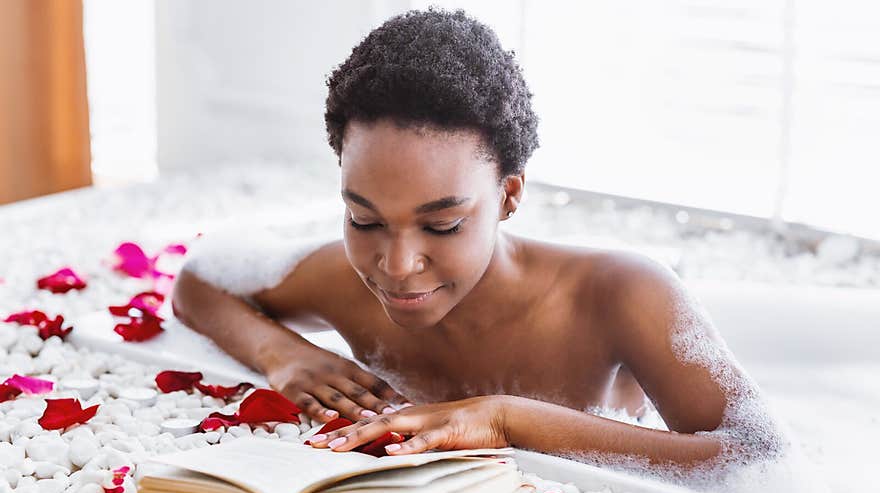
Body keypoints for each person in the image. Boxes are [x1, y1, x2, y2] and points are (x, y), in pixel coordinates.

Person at [172, 8, 782, 469]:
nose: (397, 264)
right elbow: (199, 283)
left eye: (443, 224)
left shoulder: (619, 292)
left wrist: (507, 419)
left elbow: (755, 457)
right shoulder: (345, 282)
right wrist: (285, 353)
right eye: (364, 219)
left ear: (509, 197)